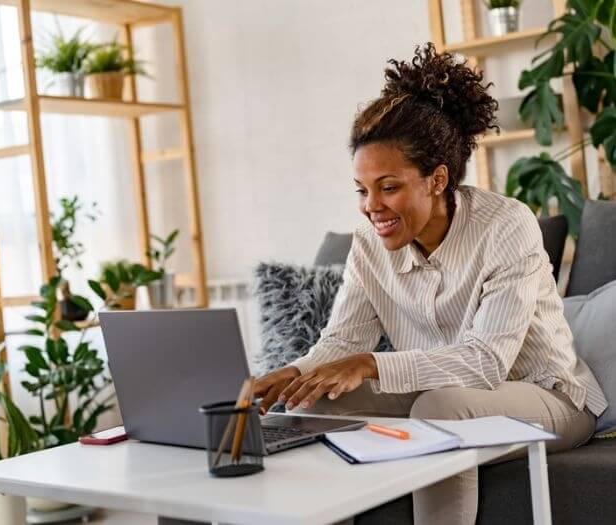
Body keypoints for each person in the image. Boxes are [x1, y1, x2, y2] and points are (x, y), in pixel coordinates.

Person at [253, 43, 607, 525]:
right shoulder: (368, 242)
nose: (370, 205)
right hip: (440, 392)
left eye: (389, 186)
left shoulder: (507, 225)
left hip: (547, 395)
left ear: (437, 179)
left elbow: (486, 363)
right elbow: (343, 340)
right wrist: (295, 374)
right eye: (362, 189)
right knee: (308, 408)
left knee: (441, 407)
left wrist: (368, 364)